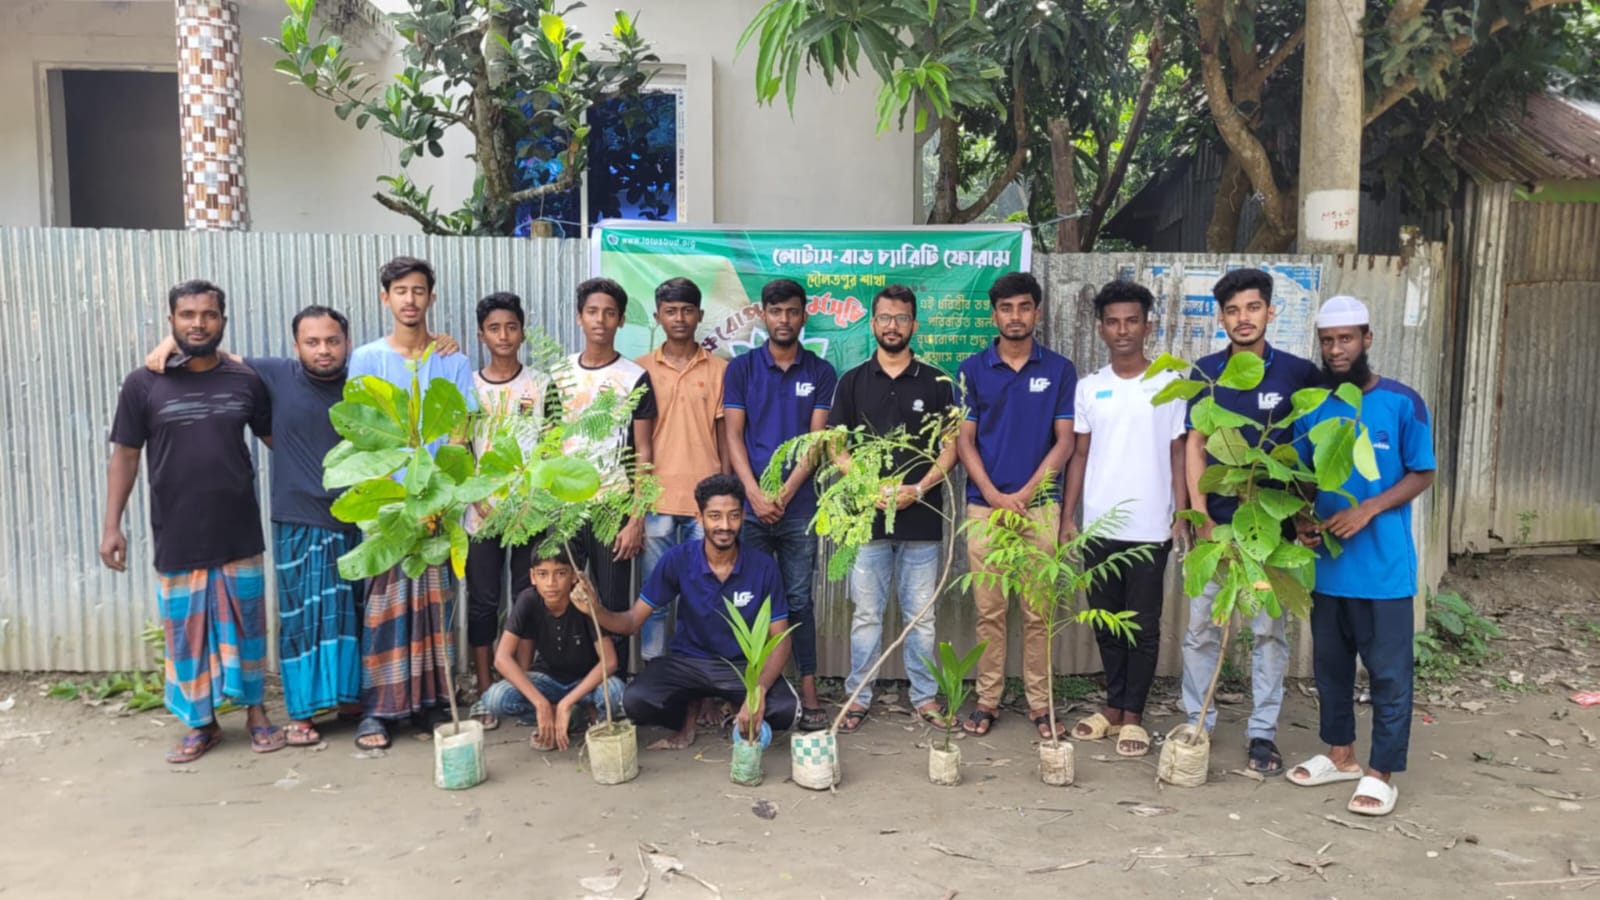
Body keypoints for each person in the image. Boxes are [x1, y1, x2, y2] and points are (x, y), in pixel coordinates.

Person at [141, 312, 460, 747]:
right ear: (296, 346)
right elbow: (211, 351)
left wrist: (442, 341)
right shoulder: (274, 374)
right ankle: (305, 713)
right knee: (303, 620)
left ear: (347, 342)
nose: (323, 350)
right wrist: (168, 343)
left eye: (332, 341)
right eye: (312, 342)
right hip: (298, 517)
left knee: (354, 618)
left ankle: (353, 703)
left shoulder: (367, 377)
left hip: (360, 516)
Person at [100, 280, 284, 762]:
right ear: (171, 321)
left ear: (223, 320)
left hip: (238, 528)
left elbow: (277, 440)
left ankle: (255, 712)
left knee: (246, 626)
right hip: (178, 530)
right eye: (187, 315)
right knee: (187, 633)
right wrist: (111, 525)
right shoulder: (144, 383)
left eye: (208, 315)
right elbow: (125, 454)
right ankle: (200, 723)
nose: (198, 323)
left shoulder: (245, 379)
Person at [1287, 296, 1435, 817]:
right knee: (1330, 669)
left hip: (1384, 569)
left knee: (1389, 675)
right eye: (1328, 341)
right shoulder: (1311, 404)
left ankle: (1381, 773)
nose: (1336, 349)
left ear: (1367, 340)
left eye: (1346, 338)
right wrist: (1303, 519)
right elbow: (1301, 477)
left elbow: (1423, 471)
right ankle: (1341, 755)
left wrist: (1369, 508)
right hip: (1329, 568)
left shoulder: (1401, 401)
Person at [1180, 267, 1322, 776]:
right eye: (1234, 310)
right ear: (1221, 319)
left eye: (1253, 308)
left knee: (1267, 633)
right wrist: (1197, 516)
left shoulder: (1298, 373)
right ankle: (1198, 720)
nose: (1244, 318)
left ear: (1270, 312)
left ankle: (1262, 733)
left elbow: (1308, 451)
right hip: (1216, 529)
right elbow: (1195, 444)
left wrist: (1304, 513)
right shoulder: (1205, 373)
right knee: (1200, 630)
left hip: (1270, 534)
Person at [347, 256, 479, 751]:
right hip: (386, 507)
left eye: (419, 291)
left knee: (434, 609)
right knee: (384, 609)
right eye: (400, 291)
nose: (409, 300)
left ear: (431, 298)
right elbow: (364, 436)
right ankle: (378, 710)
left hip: (439, 509)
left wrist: (442, 500)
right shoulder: (367, 359)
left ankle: (427, 704)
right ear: (385, 298)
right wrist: (397, 503)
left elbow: (462, 434)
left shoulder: (452, 361)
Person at [1062, 280, 1189, 757]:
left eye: (1131, 321)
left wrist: (1182, 513)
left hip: (1150, 528)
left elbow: (1179, 454)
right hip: (1099, 528)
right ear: (1101, 329)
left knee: (1143, 624)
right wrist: (1069, 517)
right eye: (1113, 322)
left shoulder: (1169, 385)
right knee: (1107, 622)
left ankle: (1134, 714)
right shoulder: (1090, 389)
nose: (1122, 330)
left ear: (1147, 325)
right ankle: (1112, 707)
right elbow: (1078, 455)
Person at [580, 474, 798, 749]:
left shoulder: (763, 566)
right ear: (699, 517)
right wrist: (594, 610)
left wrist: (758, 691)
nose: (725, 526)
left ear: (743, 516)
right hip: (689, 665)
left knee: (786, 711)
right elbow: (634, 621)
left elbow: (781, 639)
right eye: (715, 516)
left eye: (733, 516)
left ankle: (738, 703)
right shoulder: (678, 559)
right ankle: (690, 709)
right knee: (635, 701)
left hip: (742, 668)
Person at [827, 285, 956, 732]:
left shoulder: (938, 382)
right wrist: (865, 485)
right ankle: (858, 697)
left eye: (901, 318)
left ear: (914, 325)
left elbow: (952, 447)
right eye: (885, 318)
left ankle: (924, 697)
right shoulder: (852, 382)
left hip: (922, 519)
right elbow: (836, 447)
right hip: (868, 523)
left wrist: (919, 488)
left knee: (921, 618)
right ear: (873, 324)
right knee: (865, 615)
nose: (893, 326)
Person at [955, 271, 1077, 739]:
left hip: (1040, 507)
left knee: (1038, 611)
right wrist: (993, 495)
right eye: (1006, 308)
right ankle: (987, 700)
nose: (1015, 316)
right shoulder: (972, 369)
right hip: (985, 509)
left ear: (1037, 312)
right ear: (994, 314)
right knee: (988, 612)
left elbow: (1064, 443)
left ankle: (1040, 704)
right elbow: (965, 442)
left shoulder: (1059, 370)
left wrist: (1023, 495)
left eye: (1024, 307)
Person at [724, 278, 837, 731]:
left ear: (803, 315)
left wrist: (785, 493)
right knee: (744, 599)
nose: (784, 320)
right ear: (763, 315)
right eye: (776, 312)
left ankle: (808, 687)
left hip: (799, 508)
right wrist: (752, 493)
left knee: (798, 600)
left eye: (792, 312)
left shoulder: (821, 372)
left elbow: (817, 443)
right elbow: (733, 435)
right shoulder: (742, 369)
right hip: (749, 509)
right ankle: (742, 688)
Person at [463, 292, 548, 727]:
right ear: (482, 335)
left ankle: (521, 685)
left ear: (521, 330)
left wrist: (531, 502)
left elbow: (550, 447)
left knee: (525, 598)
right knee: (483, 602)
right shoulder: (469, 385)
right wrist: (479, 501)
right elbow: (460, 451)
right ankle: (483, 687)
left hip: (529, 513)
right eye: (494, 328)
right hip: (483, 517)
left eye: (511, 327)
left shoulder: (540, 384)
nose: (503, 336)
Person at [559, 277, 656, 652]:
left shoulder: (635, 378)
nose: (600, 320)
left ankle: (610, 687)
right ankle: (573, 676)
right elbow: (549, 447)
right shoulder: (558, 375)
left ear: (621, 320)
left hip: (613, 507)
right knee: (563, 593)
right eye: (592, 312)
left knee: (612, 600)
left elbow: (644, 453)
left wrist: (636, 519)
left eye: (609, 313)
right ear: (579, 317)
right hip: (564, 508)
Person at [635, 277, 728, 661]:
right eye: (670, 311)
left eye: (687, 310)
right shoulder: (638, 370)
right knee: (654, 601)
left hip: (703, 505)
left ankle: (699, 686)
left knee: (701, 602)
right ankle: (657, 688)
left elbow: (724, 437)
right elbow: (636, 445)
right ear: (657, 316)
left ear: (700, 315)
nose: (679, 318)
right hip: (656, 500)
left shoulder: (721, 369)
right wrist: (636, 507)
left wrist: (724, 496)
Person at [481, 547, 626, 751]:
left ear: (574, 576)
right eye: (542, 574)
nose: (551, 583)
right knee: (495, 698)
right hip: (548, 681)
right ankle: (561, 717)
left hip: (587, 684)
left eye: (560, 573)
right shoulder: (528, 600)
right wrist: (540, 704)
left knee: (616, 692)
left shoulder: (583, 602)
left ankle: (574, 712)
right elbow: (502, 659)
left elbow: (609, 661)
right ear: (533, 576)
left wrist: (568, 701)